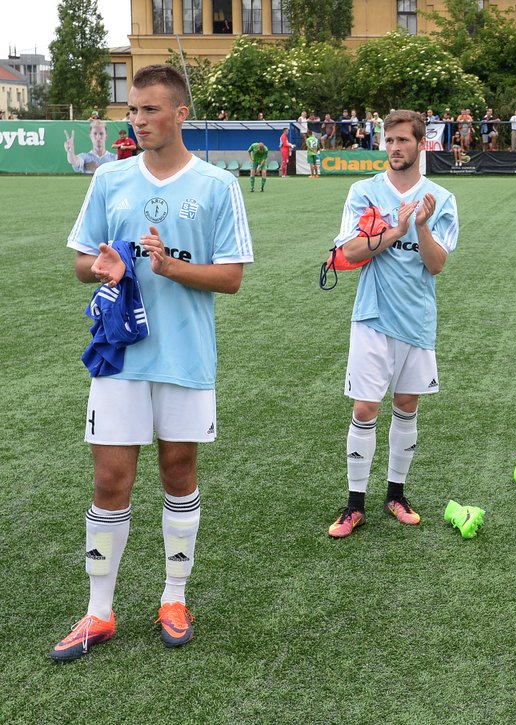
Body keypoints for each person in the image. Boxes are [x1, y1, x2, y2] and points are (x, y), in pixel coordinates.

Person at [52, 64, 253, 662]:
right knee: (110, 481)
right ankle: (98, 613)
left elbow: (232, 277)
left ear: (180, 113)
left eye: (150, 110)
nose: (138, 120)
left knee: (178, 475)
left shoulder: (218, 186)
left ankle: (173, 596)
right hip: (119, 358)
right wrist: (103, 268)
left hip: (186, 359)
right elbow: (81, 261)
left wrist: (170, 268)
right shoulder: (111, 179)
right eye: (133, 110)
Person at [327, 110, 460, 538]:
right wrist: (393, 229)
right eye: (389, 141)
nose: (395, 148)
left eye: (403, 140)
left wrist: (419, 226)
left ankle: (396, 495)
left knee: (407, 407)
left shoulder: (441, 198)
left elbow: (436, 265)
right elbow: (348, 251)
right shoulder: (364, 191)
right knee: (365, 408)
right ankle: (353, 505)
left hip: (418, 320)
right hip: (372, 316)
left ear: (422, 144)